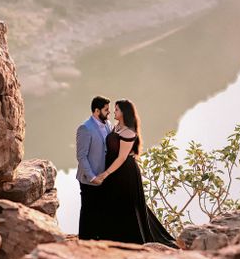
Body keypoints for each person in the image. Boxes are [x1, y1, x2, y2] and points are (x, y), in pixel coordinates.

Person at [92, 99, 178, 247]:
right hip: (114, 170)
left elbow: (122, 157)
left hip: (125, 173)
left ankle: (130, 239)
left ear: (124, 112)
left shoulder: (129, 132)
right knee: (112, 202)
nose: (114, 111)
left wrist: (105, 174)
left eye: (117, 109)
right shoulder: (116, 127)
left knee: (128, 205)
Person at [75, 95, 111, 240]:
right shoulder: (85, 128)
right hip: (89, 178)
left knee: (100, 209)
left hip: (103, 177)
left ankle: (98, 239)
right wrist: (92, 177)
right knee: (88, 210)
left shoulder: (108, 124)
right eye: (106, 110)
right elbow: (81, 156)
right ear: (97, 111)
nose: (109, 113)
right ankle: (83, 241)